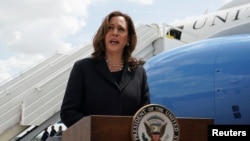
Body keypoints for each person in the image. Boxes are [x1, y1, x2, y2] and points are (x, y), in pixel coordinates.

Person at [60, 10, 151, 128]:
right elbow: (68, 112)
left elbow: (145, 115)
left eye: (121, 29)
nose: (115, 33)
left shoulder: (139, 73)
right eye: (110, 28)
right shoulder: (82, 68)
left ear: (128, 39)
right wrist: (98, 128)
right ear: (103, 35)